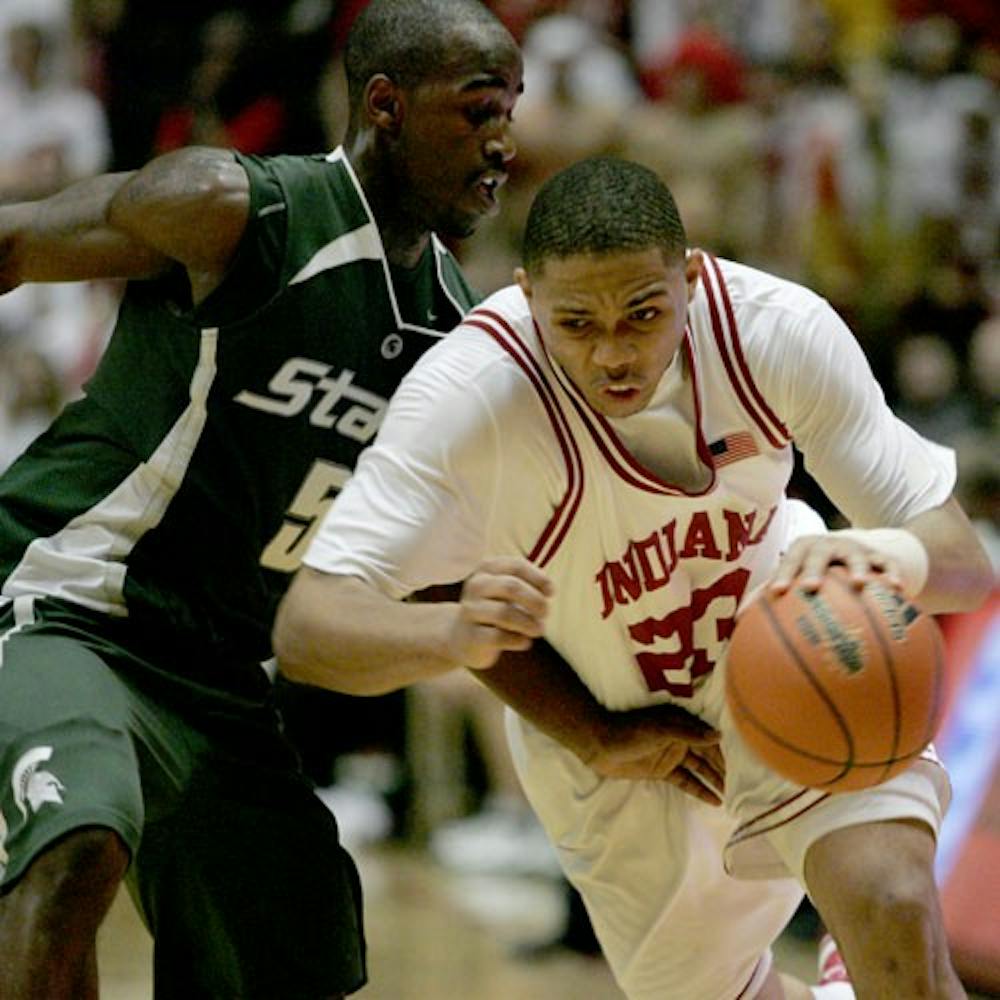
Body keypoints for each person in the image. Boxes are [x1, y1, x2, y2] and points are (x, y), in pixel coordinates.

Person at [274, 156, 995, 999]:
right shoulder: (469, 393)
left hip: (792, 648)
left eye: (642, 314)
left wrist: (879, 557)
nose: (613, 352)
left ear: (690, 280)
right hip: (608, 732)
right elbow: (308, 628)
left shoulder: (773, 329)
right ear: (524, 294)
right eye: (575, 323)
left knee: (893, 905)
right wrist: (455, 635)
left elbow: (964, 563)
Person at [0, 1, 523, 996]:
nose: (503, 141)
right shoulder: (232, 208)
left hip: (221, 667)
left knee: (297, 945)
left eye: (511, 111)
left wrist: (611, 735)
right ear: (384, 106)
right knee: (78, 842)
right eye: (476, 111)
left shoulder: (458, 337)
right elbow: (17, 242)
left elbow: (420, 593)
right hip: (62, 596)